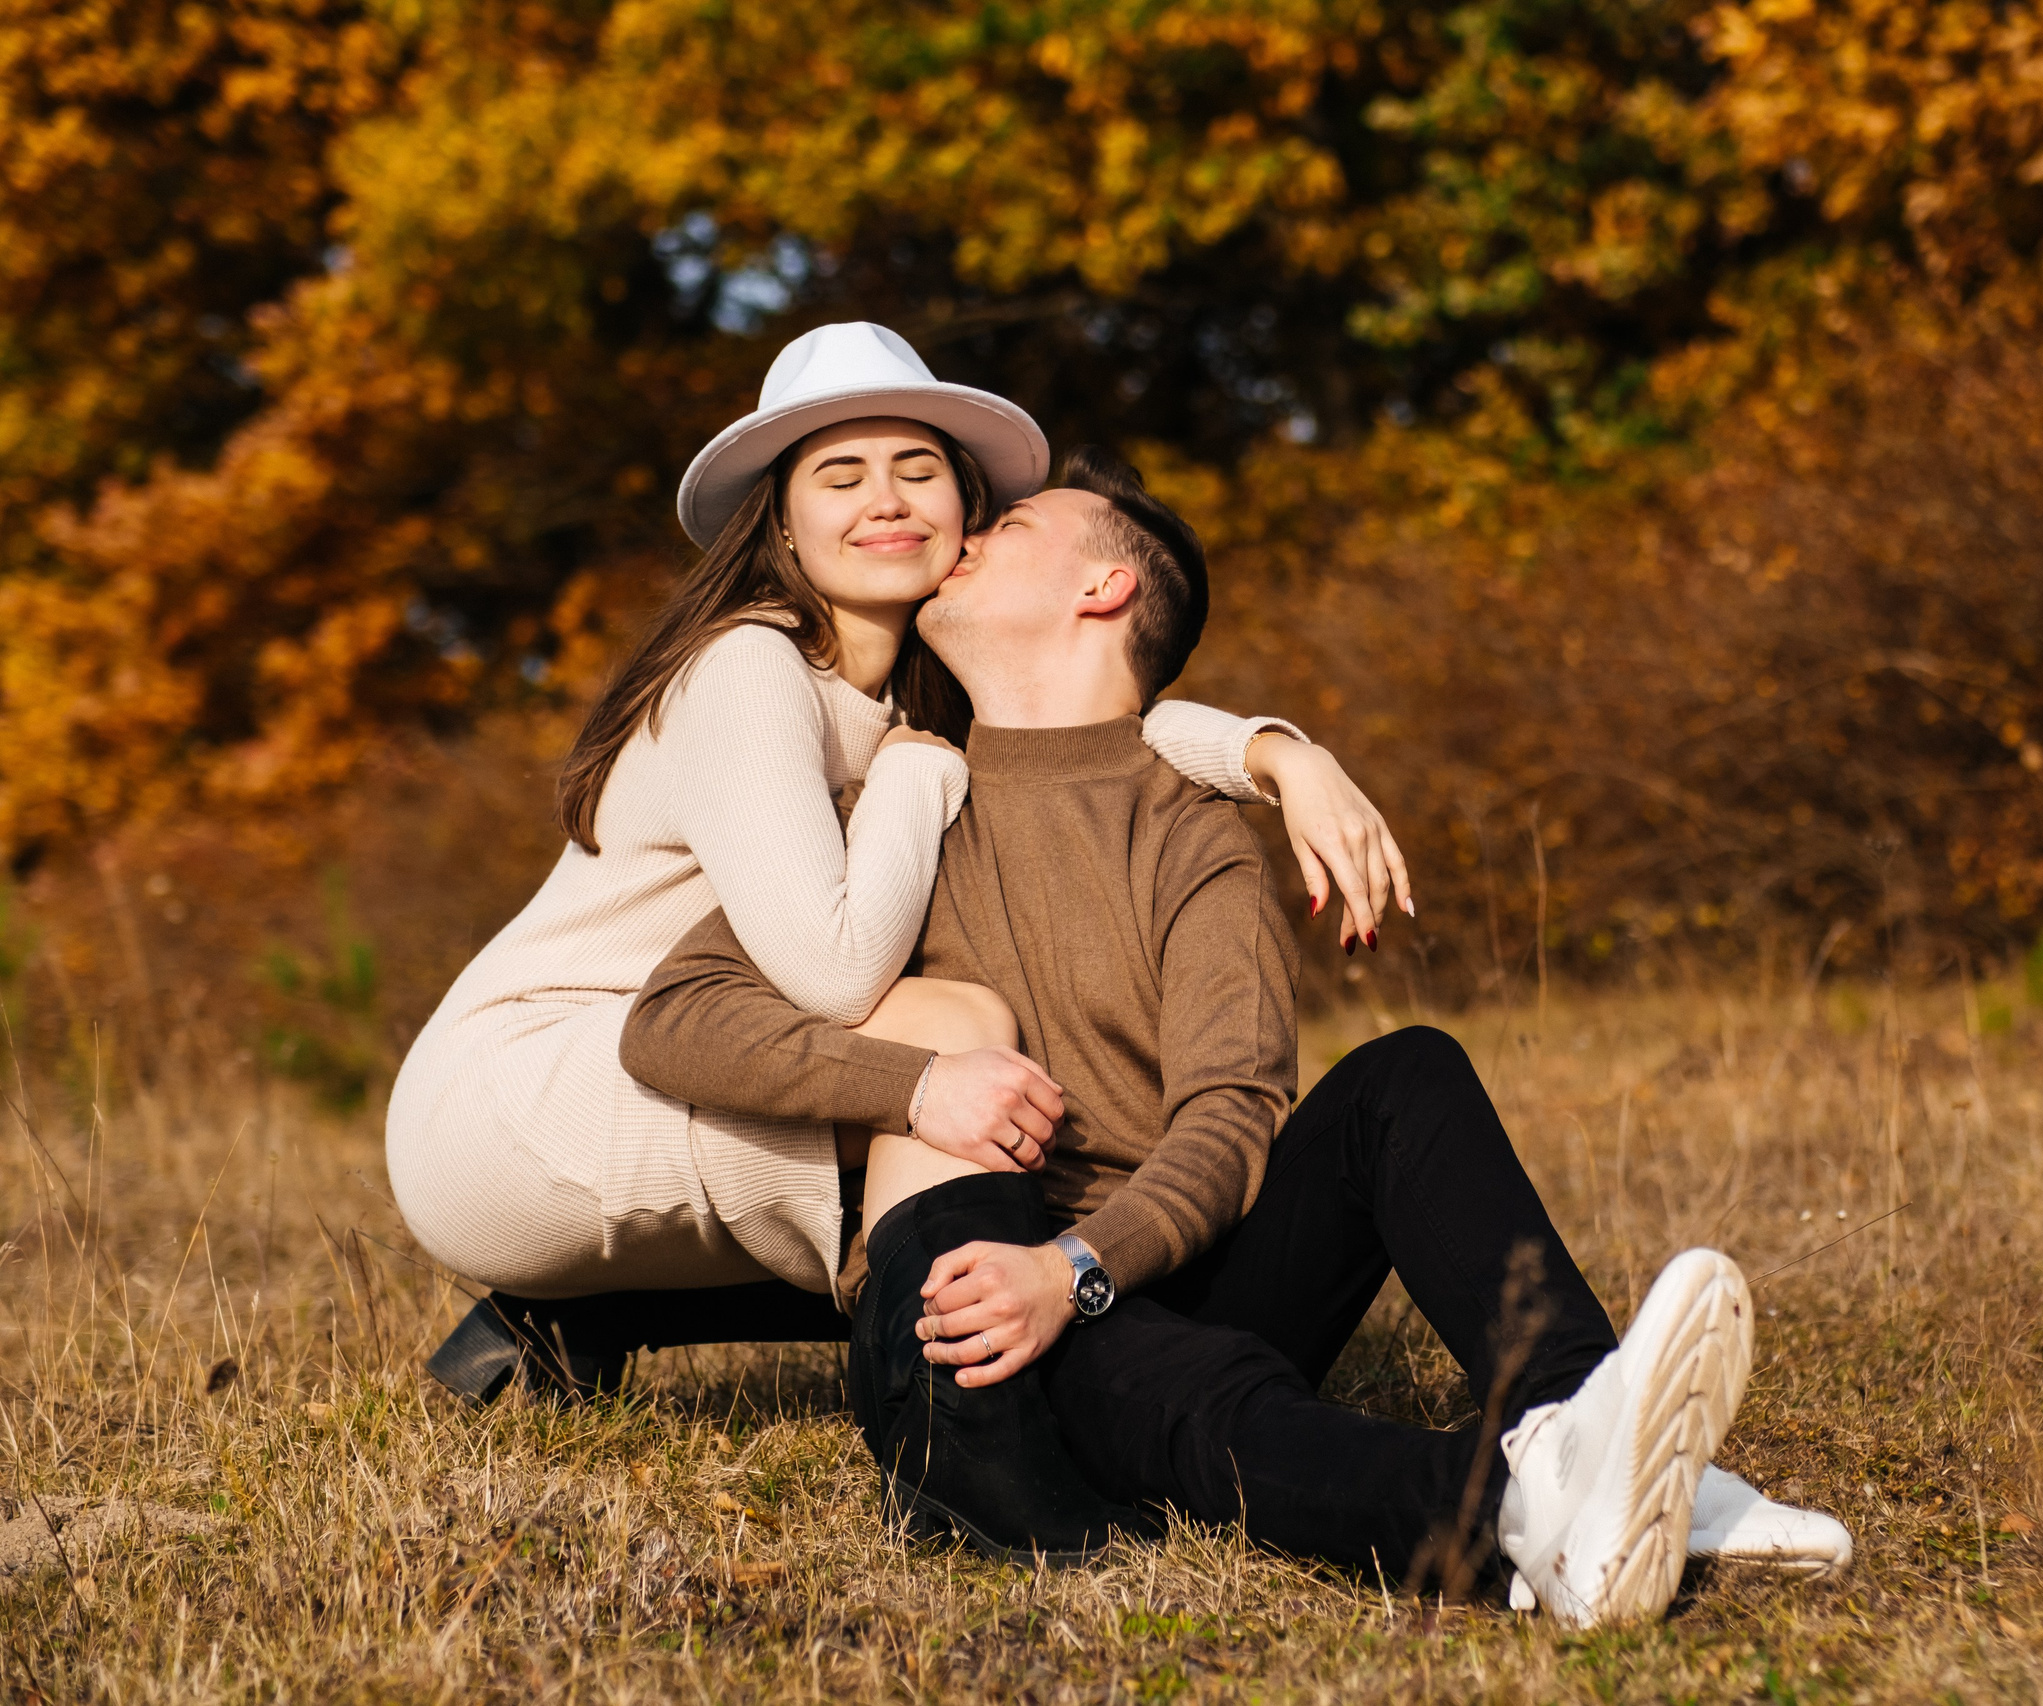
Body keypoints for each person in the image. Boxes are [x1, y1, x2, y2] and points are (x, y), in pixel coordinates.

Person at [616, 446, 1851, 1624]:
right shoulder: (901, 805)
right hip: (992, 1302)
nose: (965, 537)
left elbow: (1232, 1117)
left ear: (1104, 587)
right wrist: (917, 1084)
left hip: (1136, 1267)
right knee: (1139, 1361)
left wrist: (1080, 1268)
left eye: (1013, 527)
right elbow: (673, 1020)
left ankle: (1584, 1427)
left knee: (1404, 1074)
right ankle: (1536, 1518)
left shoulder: (1195, 834)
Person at [387, 322, 1405, 1353]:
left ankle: (594, 1328)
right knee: (965, 1032)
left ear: (965, 512)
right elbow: (834, 975)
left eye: (916, 470)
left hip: (689, 1064)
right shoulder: (752, 667)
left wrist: (1280, 758)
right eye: (840, 477)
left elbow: (1100, 728)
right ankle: (967, 1414)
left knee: (1005, 1060)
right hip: (526, 1096)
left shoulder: (917, 694)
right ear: (781, 528)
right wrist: (922, 774)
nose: (885, 499)